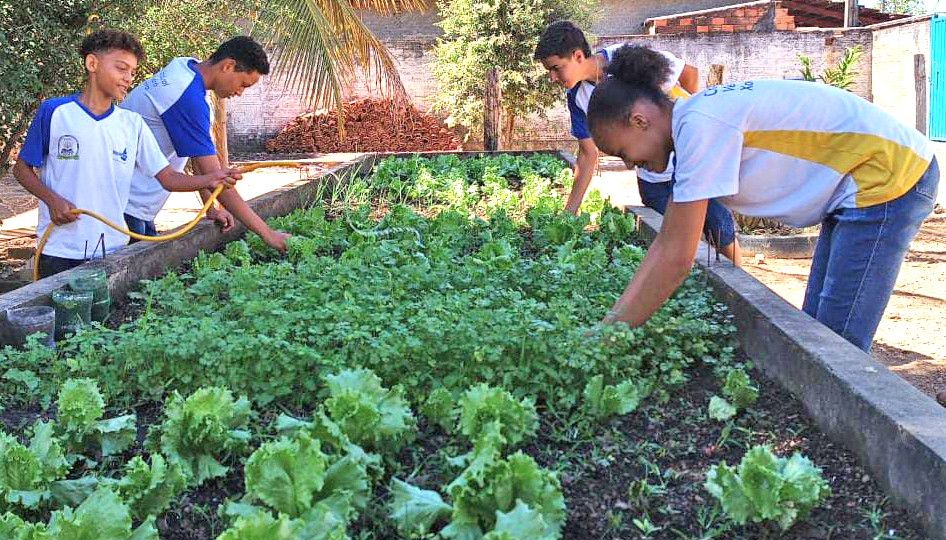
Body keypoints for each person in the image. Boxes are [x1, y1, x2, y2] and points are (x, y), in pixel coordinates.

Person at [586, 45, 938, 352]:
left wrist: (607, 338)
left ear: (639, 120)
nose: (631, 163)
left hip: (889, 175)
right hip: (861, 181)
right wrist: (610, 323)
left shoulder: (700, 125)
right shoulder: (694, 121)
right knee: (816, 334)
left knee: (835, 347)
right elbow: (667, 243)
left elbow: (676, 259)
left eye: (622, 152)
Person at [13, 30, 240, 279]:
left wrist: (212, 179)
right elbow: (22, 169)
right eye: (121, 68)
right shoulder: (54, 112)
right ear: (92, 64)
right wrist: (52, 200)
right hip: (58, 249)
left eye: (132, 72)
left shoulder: (132, 124)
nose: (128, 78)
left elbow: (169, 179)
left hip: (113, 249)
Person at [533, 21, 740, 266]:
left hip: (692, 167)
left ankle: (744, 289)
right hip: (651, 180)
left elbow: (689, 74)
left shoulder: (627, 61)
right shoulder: (577, 98)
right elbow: (587, 156)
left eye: (556, 68)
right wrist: (569, 215)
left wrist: (688, 133)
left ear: (578, 56)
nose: (552, 78)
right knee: (678, 245)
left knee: (721, 233)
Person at [120, 36, 289, 251]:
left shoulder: (184, 69)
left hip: (136, 203)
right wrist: (268, 234)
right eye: (243, 84)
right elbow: (217, 179)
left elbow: (197, 157)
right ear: (228, 66)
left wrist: (210, 207)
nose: (239, 92)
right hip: (126, 205)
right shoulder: (187, 98)